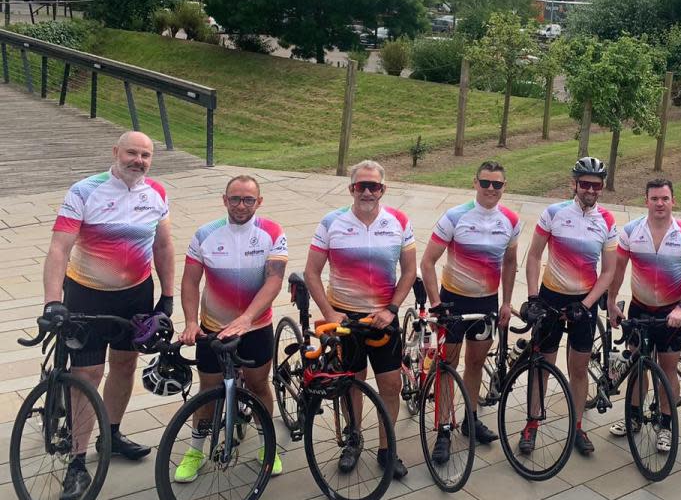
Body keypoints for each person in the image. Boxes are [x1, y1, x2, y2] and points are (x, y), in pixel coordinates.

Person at [42, 131, 175, 500]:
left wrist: (166, 296)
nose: (139, 160)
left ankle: (111, 434)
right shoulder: (85, 190)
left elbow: (163, 245)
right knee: (87, 376)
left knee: (125, 365)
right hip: (87, 293)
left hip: (135, 294)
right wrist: (53, 302)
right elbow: (58, 247)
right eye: (132, 152)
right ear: (116, 152)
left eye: (146, 155)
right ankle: (77, 460)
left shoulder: (157, 193)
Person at [304, 159, 417, 479]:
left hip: (383, 316)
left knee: (391, 385)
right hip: (345, 316)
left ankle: (386, 448)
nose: (367, 191)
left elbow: (409, 271)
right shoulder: (332, 222)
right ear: (351, 188)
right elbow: (312, 272)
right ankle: (353, 439)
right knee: (351, 383)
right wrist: (328, 312)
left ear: (383, 189)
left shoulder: (398, 220)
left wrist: (392, 309)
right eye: (361, 186)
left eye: (374, 186)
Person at [174, 175, 287, 481]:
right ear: (224, 200)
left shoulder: (271, 232)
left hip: (255, 327)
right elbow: (190, 281)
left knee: (259, 386)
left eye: (248, 199)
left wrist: (248, 318)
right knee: (208, 390)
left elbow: (274, 280)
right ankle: (196, 450)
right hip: (213, 328)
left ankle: (268, 446)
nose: (241, 205)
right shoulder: (205, 234)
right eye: (235, 198)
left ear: (258, 202)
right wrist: (190, 322)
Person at [420, 161, 521, 460]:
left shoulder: (511, 220)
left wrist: (505, 302)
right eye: (486, 183)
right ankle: (443, 429)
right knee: (447, 365)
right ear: (475, 183)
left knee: (475, 363)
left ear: (504, 186)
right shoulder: (455, 216)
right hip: (454, 302)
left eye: (497, 184)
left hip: (486, 303)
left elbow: (511, 263)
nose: (491, 189)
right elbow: (427, 262)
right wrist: (437, 303)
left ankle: (470, 419)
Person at [523, 156, 618, 457]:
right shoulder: (554, 213)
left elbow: (608, 272)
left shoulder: (607, 220)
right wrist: (533, 296)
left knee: (579, 368)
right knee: (543, 365)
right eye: (585, 184)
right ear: (575, 184)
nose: (590, 190)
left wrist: (587, 304)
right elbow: (535, 256)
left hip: (584, 302)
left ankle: (577, 426)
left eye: (596, 185)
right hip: (551, 297)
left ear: (602, 187)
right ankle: (532, 423)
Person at [606, 178, 681, 452]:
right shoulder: (630, 232)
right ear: (646, 201)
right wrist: (612, 301)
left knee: (668, 369)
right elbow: (619, 269)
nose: (660, 203)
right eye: (654, 199)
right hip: (640, 309)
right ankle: (634, 418)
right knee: (638, 365)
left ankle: (665, 423)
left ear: (673, 201)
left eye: (664, 198)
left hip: (670, 314)